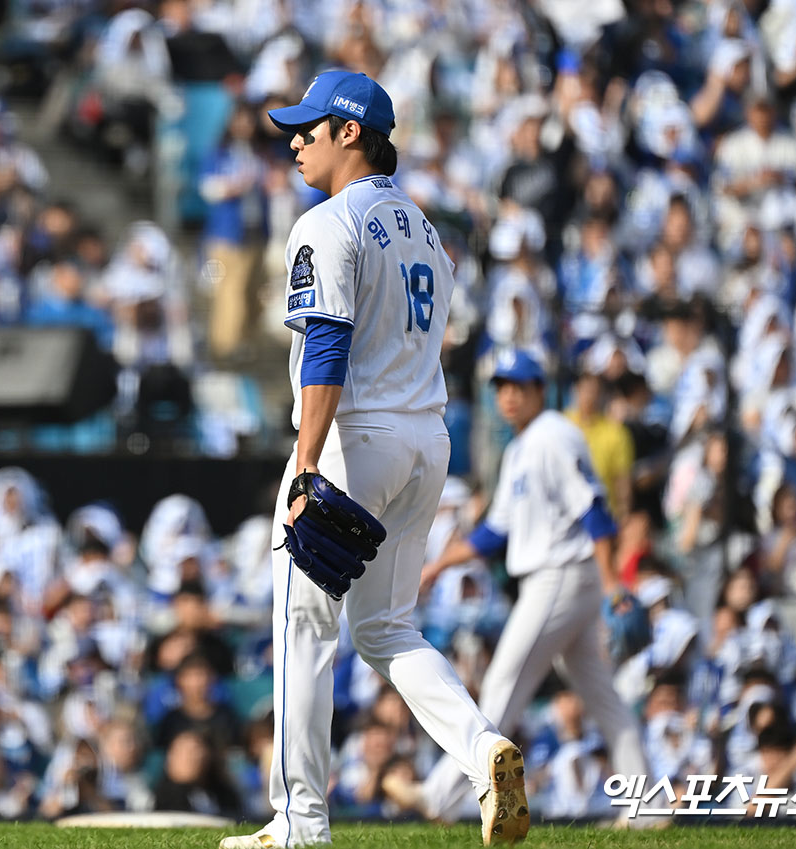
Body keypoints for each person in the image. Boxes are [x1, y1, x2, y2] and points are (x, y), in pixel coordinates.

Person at [219, 71, 527, 849]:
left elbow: (326, 342)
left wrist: (306, 462)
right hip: (427, 439)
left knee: (303, 625)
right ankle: (481, 746)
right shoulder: (426, 229)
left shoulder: (328, 222)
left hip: (356, 438)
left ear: (350, 133)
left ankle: (298, 822)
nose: (295, 140)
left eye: (309, 127)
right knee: (386, 626)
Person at [405, 350, 650, 824]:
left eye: (519, 386)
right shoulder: (521, 448)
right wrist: (437, 567)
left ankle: (441, 794)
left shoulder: (553, 436)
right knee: (600, 694)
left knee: (503, 681)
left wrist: (612, 584)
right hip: (556, 576)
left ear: (541, 389)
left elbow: (594, 510)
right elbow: (494, 533)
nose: (509, 396)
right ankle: (644, 807)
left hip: (562, 574)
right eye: (501, 387)